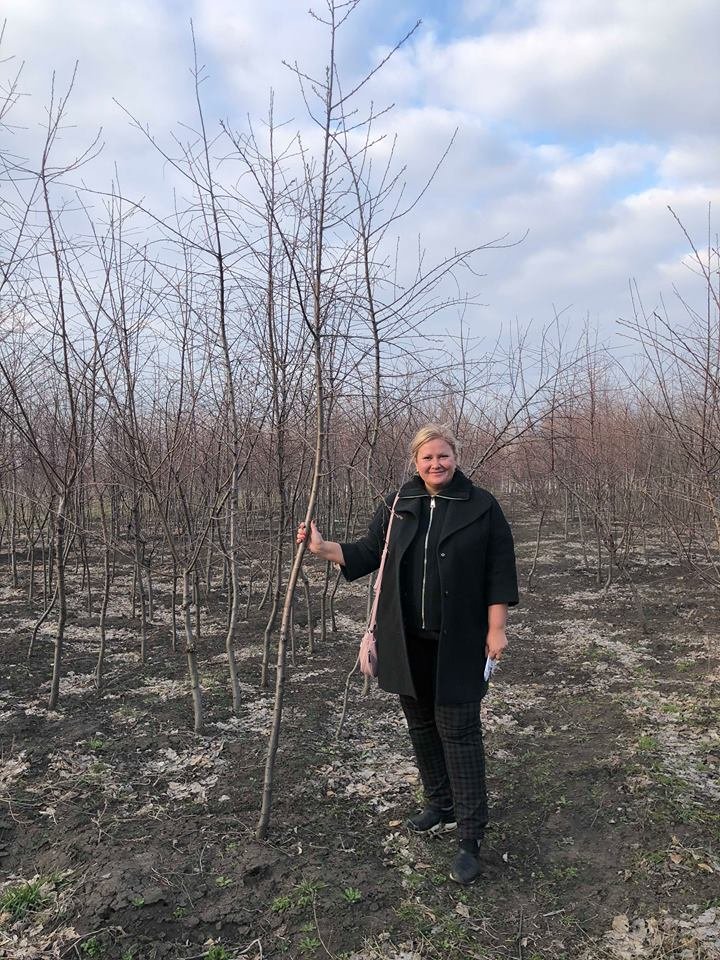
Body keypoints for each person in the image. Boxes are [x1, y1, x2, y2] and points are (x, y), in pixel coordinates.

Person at [297, 424, 518, 884]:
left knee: (459, 731)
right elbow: (368, 551)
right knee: (420, 724)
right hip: (406, 638)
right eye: (426, 458)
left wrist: (496, 629)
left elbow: (498, 572)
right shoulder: (401, 504)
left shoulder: (481, 507)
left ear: (455, 456)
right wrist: (321, 548)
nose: (436, 464)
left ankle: (470, 837)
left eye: (443, 456)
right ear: (415, 462)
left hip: (459, 641)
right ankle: (439, 804)